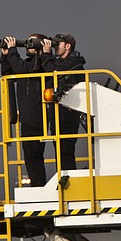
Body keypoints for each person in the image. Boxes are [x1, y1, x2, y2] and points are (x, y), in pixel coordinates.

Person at [0, 34, 53, 187]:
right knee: (30, 156)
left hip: (37, 115)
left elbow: (24, 70)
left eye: (32, 42)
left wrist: (13, 51)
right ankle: (37, 185)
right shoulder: (29, 64)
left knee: (34, 154)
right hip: (27, 116)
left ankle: (39, 186)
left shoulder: (42, 64)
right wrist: (5, 56)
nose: (28, 46)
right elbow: (8, 74)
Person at [47, 33, 86, 171]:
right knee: (60, 150)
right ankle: (64, 176)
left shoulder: (74, 63)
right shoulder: (62, 63)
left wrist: (46, 54)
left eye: (58, 44)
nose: (55, 47)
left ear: (68, 46)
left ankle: (68, 178)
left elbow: (52, 71)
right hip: (58, 112)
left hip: (67, 114)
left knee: (65, 151)